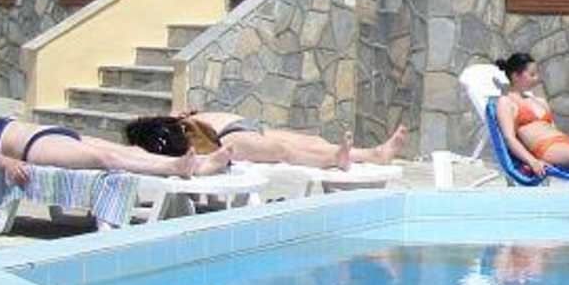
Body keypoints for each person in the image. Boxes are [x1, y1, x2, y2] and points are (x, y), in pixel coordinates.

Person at [0, 115, 232, 185]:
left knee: (130, 151)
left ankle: (202, 164)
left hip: (55, 135)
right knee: (106, 159)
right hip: (34, 147)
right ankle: (175, 167)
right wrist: (4, 163)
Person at [124, 111, 406, 170]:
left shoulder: (168, 124)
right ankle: (334, 159)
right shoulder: (164, 135)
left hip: (240, 128)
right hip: (228, 136)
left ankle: (374, 154)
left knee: (310, 140)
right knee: (285, 151)